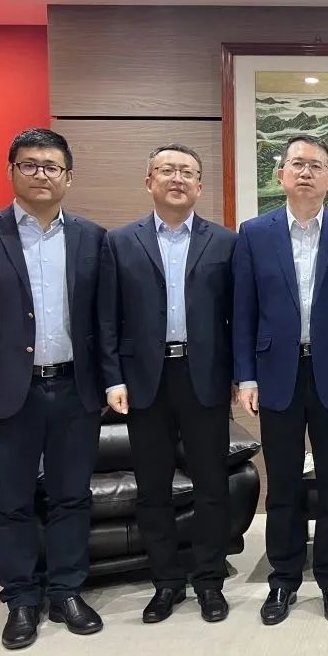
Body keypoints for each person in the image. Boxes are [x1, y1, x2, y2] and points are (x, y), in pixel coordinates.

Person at [0, 128, 107, 650]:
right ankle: (20, 599)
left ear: (68, 178)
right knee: (10, 501)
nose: (41, 174)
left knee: (71, 497)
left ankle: (67, 592)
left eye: (51, 167)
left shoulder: (91, 237)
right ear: (11, 171)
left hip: (74, 388)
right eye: (29, 165)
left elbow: (103, 320)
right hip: (5, 390)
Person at [233, 135, 328, 625]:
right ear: (281, 175)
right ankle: (284, 578)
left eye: (316, 166)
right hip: (276, 373)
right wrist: (246, 376)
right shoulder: (254, 233)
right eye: (297, 163)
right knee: (284, 484)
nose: (306, 172)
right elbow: (243, 311)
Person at [98, 144, 238, 625]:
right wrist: (112, 378)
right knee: (153, 487)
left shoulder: (225, 242)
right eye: (167, 170)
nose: (177, 179)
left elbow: (237, 317)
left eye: (187, 172)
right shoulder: (119, 242)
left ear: (199, 185)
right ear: (149, 181)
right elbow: (107, 318)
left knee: (212, 485)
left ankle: (209, 581)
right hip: (144, 380)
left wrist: (239, 376)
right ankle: (166, 583)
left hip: (205, 377)